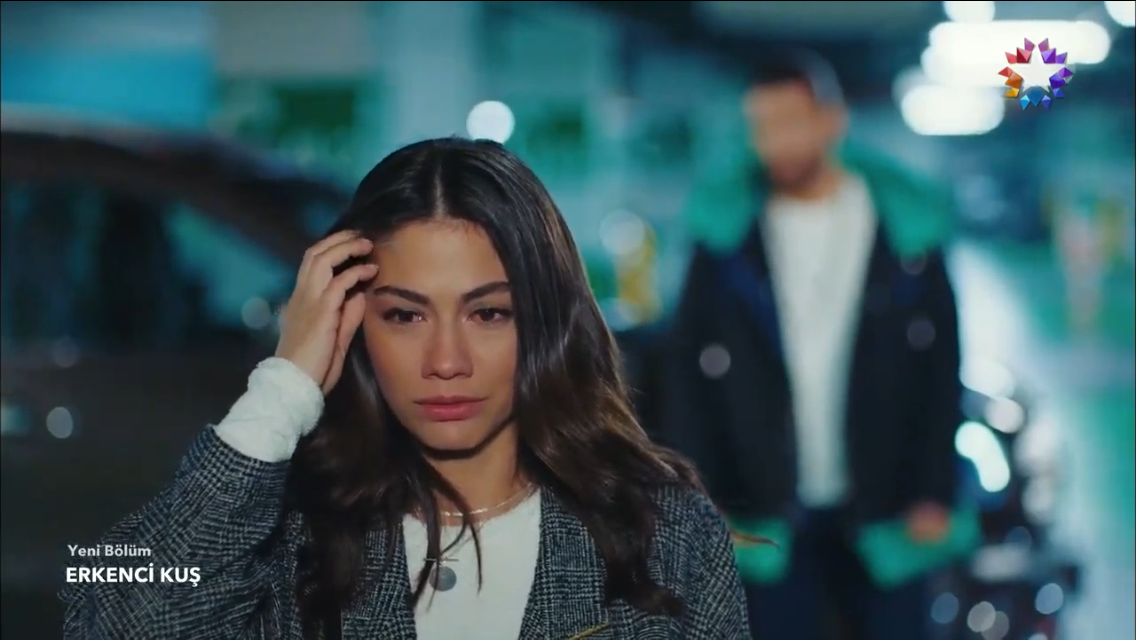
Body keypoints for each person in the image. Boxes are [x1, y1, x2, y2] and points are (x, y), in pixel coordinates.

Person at [60, 137, 750, 640]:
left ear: (543, 323)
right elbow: (112, 617)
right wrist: (282, 387)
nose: (446, 360)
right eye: (405, 315)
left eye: (488, 313)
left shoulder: (667, 536)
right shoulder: (286, 528)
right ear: (354, 322)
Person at [661, 53, 963, 640]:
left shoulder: (907, 235)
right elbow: (686, 377)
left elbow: (941, 369)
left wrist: (935, 489)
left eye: (789, 122)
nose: (774, 143)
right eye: (761, 127)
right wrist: (699, 494)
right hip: (765, 508)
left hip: (888, 505)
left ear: (832, 120)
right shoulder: (723, 241)